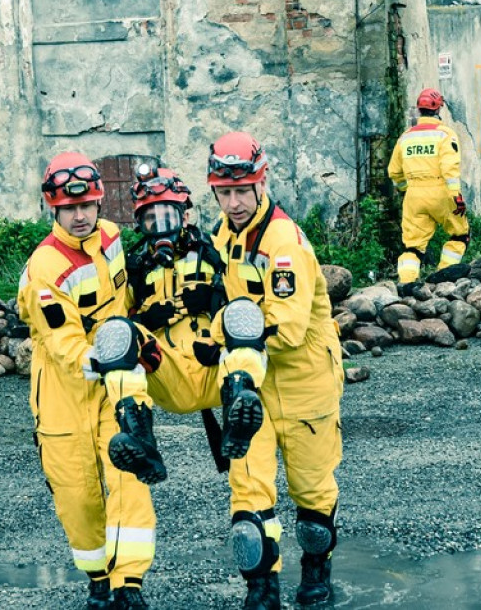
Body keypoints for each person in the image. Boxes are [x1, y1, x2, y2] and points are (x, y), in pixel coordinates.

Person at [17, 151, 162, 610]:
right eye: (69, 208)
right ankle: (99, 581)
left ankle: (129, 585)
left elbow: (125, 296)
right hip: (64, 391)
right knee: (76, 495)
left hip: (115, 386)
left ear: (99, 202)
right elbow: (65, 345)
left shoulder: (112, 237)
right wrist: (114, 355)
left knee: (129, 478)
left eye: (86, 205)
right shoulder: (44, 268)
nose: (79, 216)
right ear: (53, 208)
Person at [206, 131, 344, 609]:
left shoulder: (283, 242)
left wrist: (221, 333)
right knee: (248, 495)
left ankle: (316, 569)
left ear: (262, 183)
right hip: (252, 389)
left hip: (304, 380)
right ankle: (262, 589)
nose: (235, 203)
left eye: (243, 191)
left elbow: (285, 328)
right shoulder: (222, 236)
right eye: (225, 193)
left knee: (312, 493)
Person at [123, 163, 227, 454]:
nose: (160, 226)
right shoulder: (136, 268)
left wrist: (214, 298)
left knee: (248, 341)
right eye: (151, 219)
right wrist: (145, 319)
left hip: (213, 362)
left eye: (168, 216)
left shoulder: (213, 251)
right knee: (120, 335)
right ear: (140, 224)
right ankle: (140, 444)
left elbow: (244, 306)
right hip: (167, 373)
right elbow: (121, 319)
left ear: (185, 216)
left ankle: (241, 426)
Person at [388, 88, 469, 293]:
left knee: (412, 246)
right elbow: (449, 168)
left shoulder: (405, 137)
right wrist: (456, 196)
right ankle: (444, 276)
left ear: (419, 109)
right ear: (439, 109)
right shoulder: (445, 134)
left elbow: (394, 172)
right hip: (441, 192)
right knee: (459, 235)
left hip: (414, 195)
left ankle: (407, 284)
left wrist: (407, 189)